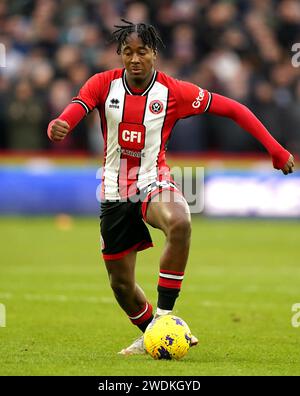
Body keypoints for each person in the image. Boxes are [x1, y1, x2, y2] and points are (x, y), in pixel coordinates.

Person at [47, 20, 295, 356]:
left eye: (142, 52)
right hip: (114, 191)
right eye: (128, 52)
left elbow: (235, 109)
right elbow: (77, 107)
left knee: (179, 221)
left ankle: (165, 318)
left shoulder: (174, 92)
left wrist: (276, 150)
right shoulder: (103, 84)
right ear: (120, 54)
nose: (135, 59)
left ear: (154, 54)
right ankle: (151, 332)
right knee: (120, 284)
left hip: (153, 181)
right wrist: (60, 123)